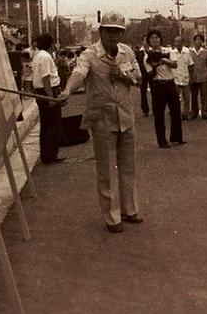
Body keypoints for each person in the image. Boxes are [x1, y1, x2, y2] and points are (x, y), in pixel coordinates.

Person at [59, 12, 143, 233]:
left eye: (118, 31)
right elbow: (79, 73)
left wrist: (122, 76)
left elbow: (138, 79)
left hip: (126, 117)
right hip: (102, 119)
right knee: (106, 169)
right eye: (109, 30)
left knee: (128, 167)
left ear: (122, 33)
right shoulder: (90, 54)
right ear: (101, 31)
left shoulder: (127, 52)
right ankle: (112, 216)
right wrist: (68, 90)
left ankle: (130, 209)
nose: (113, 35)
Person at [143, 29, 184, 148]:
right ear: (149, 41)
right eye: (152, 38)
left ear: (160, 39)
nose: (155, 40)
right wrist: (154, 65)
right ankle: (161, 140)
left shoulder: (168, 51)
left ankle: (177, 137)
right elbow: (149, 74)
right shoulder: (147, 55)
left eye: (157, 37)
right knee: (159, 114)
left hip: (170, 83)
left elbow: (175, 64)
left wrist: (163, 61)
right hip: (158, 85)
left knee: (176, 111)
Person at [31, 34, 65, 164]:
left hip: (42, 91)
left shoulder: (38, 56)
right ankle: (51, 155)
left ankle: (46, 155)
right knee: (53, 124)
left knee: (46, 125)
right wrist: (51, 98)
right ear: (51, 44)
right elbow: (46, 78)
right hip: (48, 92)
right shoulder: (45, 56)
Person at [170, 36, 194, 120]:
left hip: (185, 77)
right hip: (175, 78)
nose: (177, 43)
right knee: (176, 98)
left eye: (178, 42)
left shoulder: (187, 52)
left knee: (186, 98)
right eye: (175, 42)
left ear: (182, 43)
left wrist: (191, 77)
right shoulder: (172, 53)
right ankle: (176, 113)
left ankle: (185, 114)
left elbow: (190, 65)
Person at [189, 34, 207, 119]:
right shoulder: (189, 52)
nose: (199, 41)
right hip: (193, 77)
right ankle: (194, 112)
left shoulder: (206, 52)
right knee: (194, 96)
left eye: (200, 40)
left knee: (204, 96)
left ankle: (205, 113)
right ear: (194, 41)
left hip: (203, 77)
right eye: (197, 39)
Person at [135, 37, 150, 117]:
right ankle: (145, 110)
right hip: (143, 74)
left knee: (155, 92)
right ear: (142, 41)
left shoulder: (152, 51)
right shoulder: (138, 52)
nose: (146, 41)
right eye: (144, 40)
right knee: (143, 92)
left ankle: (156, 108)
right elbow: (136, 64)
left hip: (152, 74)